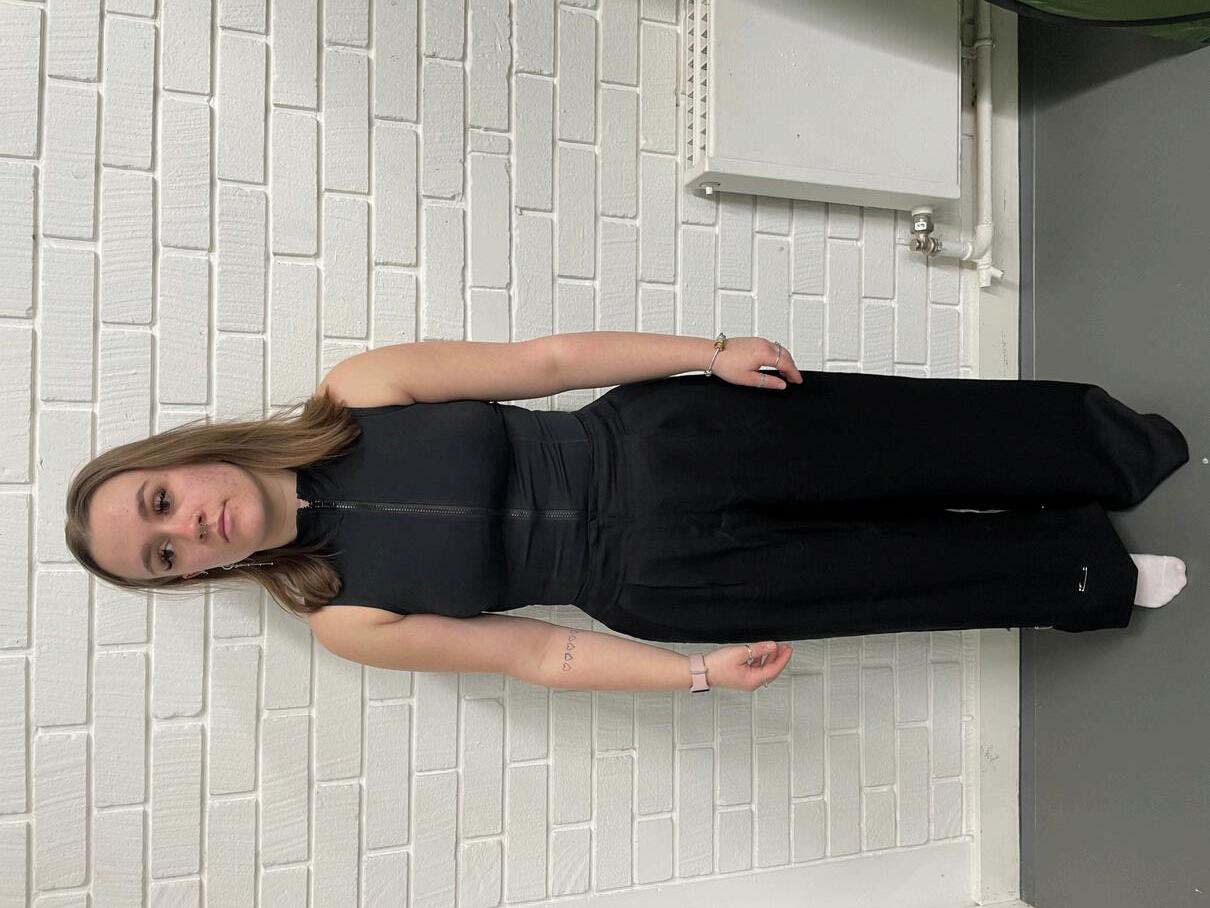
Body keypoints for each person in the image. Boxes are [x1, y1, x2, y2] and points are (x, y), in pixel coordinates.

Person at [65, 331, 1190, 694]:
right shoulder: (343, 620)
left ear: (184, 458)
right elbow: (536, 652)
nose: (188, 529)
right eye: (162, 556)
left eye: (162, 502)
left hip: (666, 439)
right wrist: (691, 674)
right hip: (660, 583)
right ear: (190, 577)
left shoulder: (360, 389)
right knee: (891, 575)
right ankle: (1083, 571)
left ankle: (1112, 452)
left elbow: (548, 361)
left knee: (914, 438)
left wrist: (711, 350)